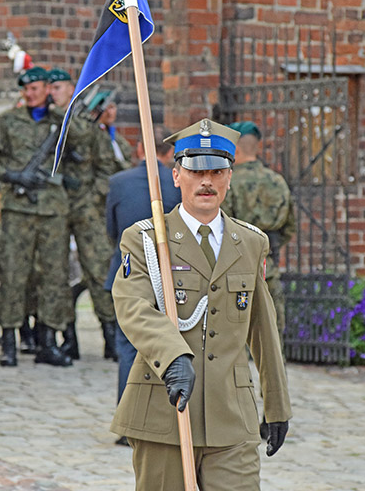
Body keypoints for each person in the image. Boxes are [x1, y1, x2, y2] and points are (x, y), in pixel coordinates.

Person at [111, 118, 292, 490]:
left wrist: (276, 405)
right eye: (195, 171)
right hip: (166, 411)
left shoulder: (250, 242)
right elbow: (134, 307)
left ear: (230, 177)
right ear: (176, 176)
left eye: (216, 171)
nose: (206, 182)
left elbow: (263, 328)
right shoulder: (145, 240)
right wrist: (173, 356)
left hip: (232, 417)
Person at [0, 66, 75, 367]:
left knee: (53, 277)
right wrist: (14, 176)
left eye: (36, 88)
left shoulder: (62, 122)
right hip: (17, 210)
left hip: (52, 209)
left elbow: (86, 145)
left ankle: (47, 340)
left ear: (48, 89)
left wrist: (64, 112)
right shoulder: (8, 121)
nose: (30, 94)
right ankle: (9, 340)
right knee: (12, 274)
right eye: (26, 89)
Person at [104, 125, 181, 446]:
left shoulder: (118, 182)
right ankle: (163, 420)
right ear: (169, 155)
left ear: (138, 150)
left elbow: (111, 229)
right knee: (168, 346)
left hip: (128, 269)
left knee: (128, 347)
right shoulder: (177, 184)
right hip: (168, 274)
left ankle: (127, 423)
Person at [50, 68, 121, 362]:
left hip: (86, 209)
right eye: (50, 87)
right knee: (55, 275)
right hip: (50, 208)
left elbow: (108, 169)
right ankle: (65, 337)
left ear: (70, 89)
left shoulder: (87, 127)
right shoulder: (41, 124)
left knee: (99, 269)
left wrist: (92, 196)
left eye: (58, 87)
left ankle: (110, 334)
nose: (53, 92)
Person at [222, 121, 296, 341]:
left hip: (233, 266)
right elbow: (290, 226)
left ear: (233, 149)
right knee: (272, 336)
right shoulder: (277, 181)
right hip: (267, 266)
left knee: (234, 338)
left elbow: (221, 223)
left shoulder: (228, 182)